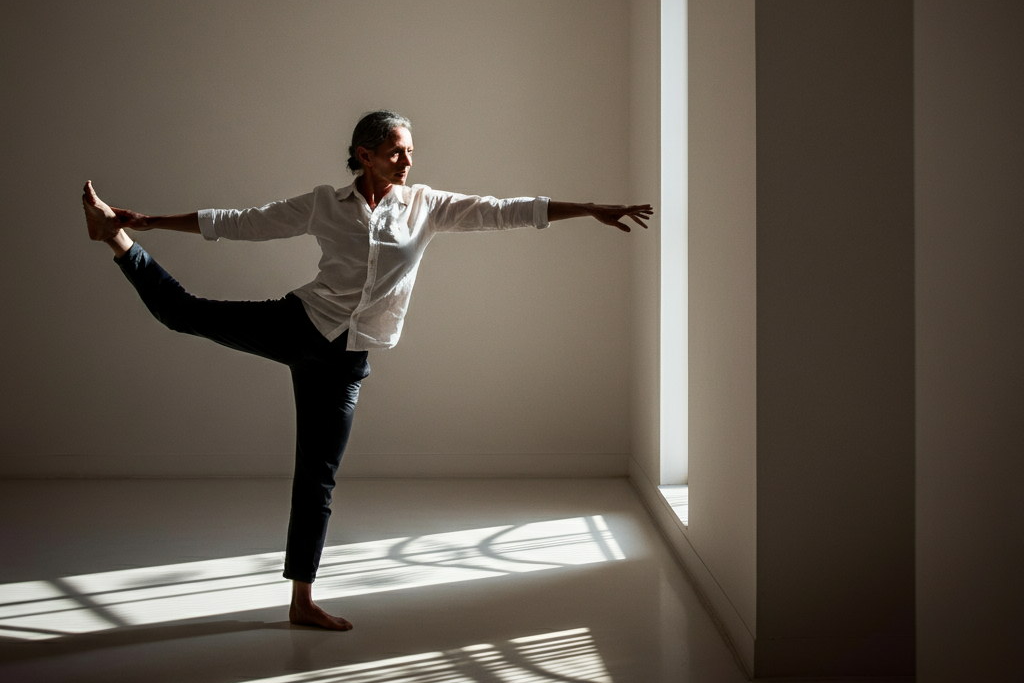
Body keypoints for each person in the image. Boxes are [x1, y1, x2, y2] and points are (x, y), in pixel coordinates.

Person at [82, 110, 652, 631]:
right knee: (182, 314)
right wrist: (149, 221)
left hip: (347, 360)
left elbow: (507, 210)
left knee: (317, 479)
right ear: (364, 153)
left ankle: (301, 600)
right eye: (398, 151)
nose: (408, 161)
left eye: (410, 151)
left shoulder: (425, 205)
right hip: (300, 323)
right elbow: (242, 223)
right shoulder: (323, 204)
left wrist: (589, 208)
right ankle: (119, 239)